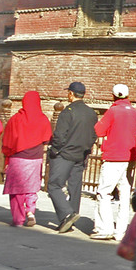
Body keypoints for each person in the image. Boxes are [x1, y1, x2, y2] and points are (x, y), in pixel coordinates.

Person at [46, 81, 98, 234]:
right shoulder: (91, 113)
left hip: (65, 154)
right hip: (81, 154)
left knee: (54, 185)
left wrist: (54, 150)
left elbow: (59, 135)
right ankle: (72, 215)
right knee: (75, 187)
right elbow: (94, 134)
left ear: (71, 94)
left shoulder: (67, 112)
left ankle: (67, 214)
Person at [91, 83, 136, 241]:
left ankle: (104, 228)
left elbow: (98, 130)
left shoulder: (113, 111)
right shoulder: (134, 112)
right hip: (128, 156)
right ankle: (120, 230)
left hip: (113, 155)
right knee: (124, 193)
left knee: (104, 192)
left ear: (113, 95)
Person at [1, 91, 53, 227]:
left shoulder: (16, 119)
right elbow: (47, 139)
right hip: (35, 158)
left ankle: (18, 218)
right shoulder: (43, 119)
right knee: (31, 187)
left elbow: (7, 140)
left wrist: (6, 155)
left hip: (18, 158)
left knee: (16, 189)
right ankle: (30, 212)